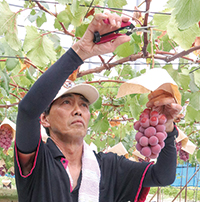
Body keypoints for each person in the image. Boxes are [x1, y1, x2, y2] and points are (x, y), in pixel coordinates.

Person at [14, 12, 182, 202]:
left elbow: (163, 177)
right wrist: (81, 52)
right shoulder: (38, 161)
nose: (78, 110)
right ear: (44, 119)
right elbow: (28, 111)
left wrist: (168, 129)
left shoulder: (108, 165)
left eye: (84, 105)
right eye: (66, 102)